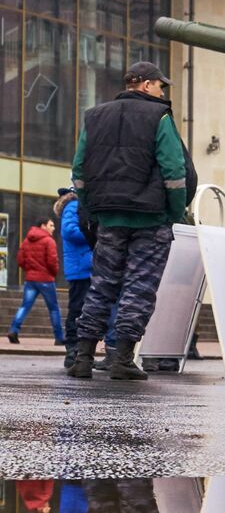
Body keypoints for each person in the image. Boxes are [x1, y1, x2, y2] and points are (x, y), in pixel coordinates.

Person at [67, 61, 192, 381]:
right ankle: (121, 357)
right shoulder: (159, 116)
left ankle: (82, 357)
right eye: (160, 85)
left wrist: (91, 208)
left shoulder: (94, 116)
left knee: (101, 286)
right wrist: (174, 213)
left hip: (109, 217)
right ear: (147, 85)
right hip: (150, 218)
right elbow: (174, 171)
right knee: (139, 288)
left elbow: (79, 169)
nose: (163, 91)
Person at [7, 216, 63, 345]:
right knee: (54, 308)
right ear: (43, 226)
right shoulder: (49, 241)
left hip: (31, 279)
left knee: (25, 306)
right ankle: (59, 338)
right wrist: (53, 273)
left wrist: (30, 270)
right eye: (51, 225)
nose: (53, 228)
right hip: (46, 280)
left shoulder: (27, 240)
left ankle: (14, 330)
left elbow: (20, 259)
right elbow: (52, 261)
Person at [54, 189, 94, 367]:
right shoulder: (73, 205)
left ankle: (77, 349)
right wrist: (93, 234)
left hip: (85, 265)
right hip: (80, 267)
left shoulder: (77, 205)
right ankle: (72, 348)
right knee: (77, 308)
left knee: (83, 308)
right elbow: (70, 231)